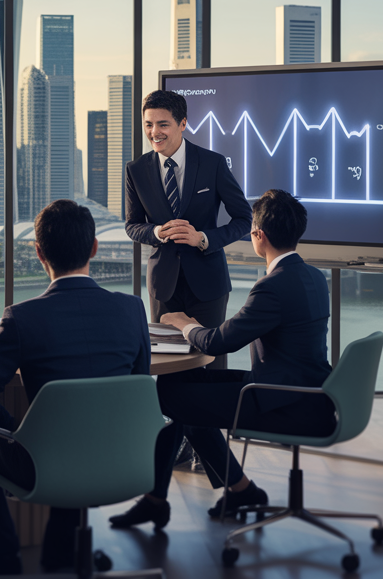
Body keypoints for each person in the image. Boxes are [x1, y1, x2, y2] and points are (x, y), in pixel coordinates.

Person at [109, 189, 336, 529]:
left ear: (257, 235)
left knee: (170, 395)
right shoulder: (315, 276)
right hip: (308, 393)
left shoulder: (272, 286)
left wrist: (183, 323)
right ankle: (234, 491)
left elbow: (217, 343)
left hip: (283, 403)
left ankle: (162, 500)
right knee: (186, 388)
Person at [0, 200, 150, 576]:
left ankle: (6, 558)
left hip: (47, 465)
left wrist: (19, 434)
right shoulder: (132, 309)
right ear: (94, 248)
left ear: (38, 252)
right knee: (79, 435)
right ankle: (61, 551)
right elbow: (139, 386)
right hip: (125, 459)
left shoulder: (22, 317)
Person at [124, 89, 252, 360]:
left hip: (209, 285)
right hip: (163, 287)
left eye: (163, 124)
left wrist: (203, 238)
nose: (154, 132)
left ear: (183, 123)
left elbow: (244, 218)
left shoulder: (212, 163)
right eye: (148, 124)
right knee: (167, 364)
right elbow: (132, 225)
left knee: (211, 362)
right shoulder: (135, 170)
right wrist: (157, 232)